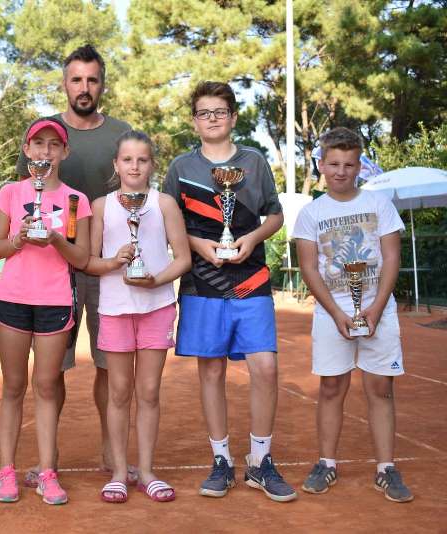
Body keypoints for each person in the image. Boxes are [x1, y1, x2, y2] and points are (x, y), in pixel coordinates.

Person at [163, 81, 297, 502]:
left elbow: (274, 215)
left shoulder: (254, 162)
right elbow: (168, 223)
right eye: (204, 112)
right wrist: (197, 245)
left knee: (265, 367)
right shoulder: (180, 168)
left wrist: (254, 238)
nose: (213, 119)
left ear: (234, 117)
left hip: (252, 280)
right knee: (211, 370)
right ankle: (221, 459)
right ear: (194, 120)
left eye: (220, 111)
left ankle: (260, 461)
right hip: (202, 284)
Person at [14, 43, 133, 486]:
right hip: (51, 270)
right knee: (52, 369)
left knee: (109, 362)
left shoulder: (122, 134)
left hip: (104, 269)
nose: (84, 88)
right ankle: (50, 458)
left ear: (102, 84)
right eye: (76, 79)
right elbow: (26, 196)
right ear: (64, 84)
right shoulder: (43, 134)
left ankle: (111, 450)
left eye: (92, 80)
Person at [292, 127, 413, 503]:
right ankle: (326, 462)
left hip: (379, 311)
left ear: (359, 166)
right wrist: (336, 312)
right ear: (322, 165)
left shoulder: (379, 204)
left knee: (380, 389)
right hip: (332, 314)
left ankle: (386, 468)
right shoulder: (311, 212)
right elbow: (310, 268)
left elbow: (391, 257)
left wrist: (375, 309)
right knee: (331, 388)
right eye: (333, 164)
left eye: (348, 164)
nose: (341, 171)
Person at [85, 131, 191, 503]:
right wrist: (116, 261)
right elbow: (91, 261)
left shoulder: (165, 204)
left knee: (148, 392)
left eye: (142, 160)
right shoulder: (101, 206)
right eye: (127, 159)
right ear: (116, 165)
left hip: (157, 307)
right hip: (114, 309)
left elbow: (182, 257)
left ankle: (146, 472)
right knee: (118, 392)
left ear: (152, 165)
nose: (134, 166)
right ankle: (118, 472)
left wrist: (154, 281)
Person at [0, 118, 91, 505]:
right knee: (13, 386)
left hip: (54, 301)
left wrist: (55, 240)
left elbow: (81, 257)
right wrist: (17, 239)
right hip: (14, 298)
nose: (45, 152)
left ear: (64, 152)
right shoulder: (11, 193)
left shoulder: (74, 200)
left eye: (54, 145)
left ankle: (48, 472)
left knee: (47, 387)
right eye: (39, 144)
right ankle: (7, 472)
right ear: (27, 151)